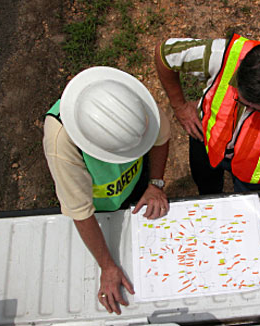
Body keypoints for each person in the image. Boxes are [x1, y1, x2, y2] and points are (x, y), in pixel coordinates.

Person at [155, 34, 260, 261]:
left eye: (256, 109)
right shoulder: (222, 55)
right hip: (205, 141)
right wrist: (179, 107)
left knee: (247, 213)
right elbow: (164, 54)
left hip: (253, 166)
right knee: (206, 187)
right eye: (240, 101)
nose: (245, 109)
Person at [43, 66, 170, 314]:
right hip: (98, 208)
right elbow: (80, 210)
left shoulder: (132, 102)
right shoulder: (60, 142)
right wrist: (107, 266)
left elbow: (161, 138)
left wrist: (155, 183)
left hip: (137, 186)